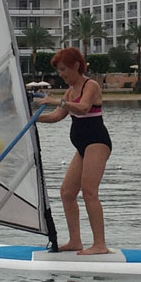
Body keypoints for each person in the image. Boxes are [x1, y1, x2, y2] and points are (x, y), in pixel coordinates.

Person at [38, 47, 112, 254]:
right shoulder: (70, 92)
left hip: (97, 142)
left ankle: (100, 245)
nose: (61, 75)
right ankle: (75, 241)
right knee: (67, 193)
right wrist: (32, 118)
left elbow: (84, 108)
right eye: (59, 71)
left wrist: (56, 101)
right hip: (81, 147)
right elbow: (56, 116)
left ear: (76, 66)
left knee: (89, 192)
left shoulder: (91, 85)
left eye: (63, 70)